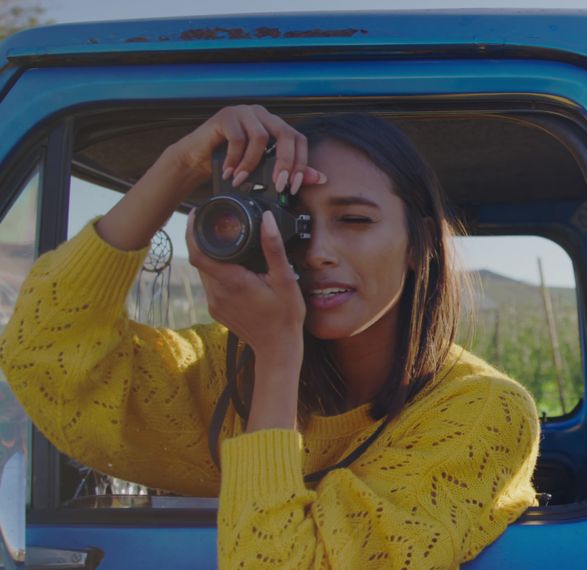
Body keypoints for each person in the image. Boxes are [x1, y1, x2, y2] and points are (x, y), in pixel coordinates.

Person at [0, 105, 541, 568]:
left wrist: (278, 357)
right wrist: (181, 164)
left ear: (420, 243)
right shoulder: (219, 372)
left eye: (353, 219)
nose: (318, 251)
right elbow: (43, 352)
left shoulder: (482, 414)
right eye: (292, 225)